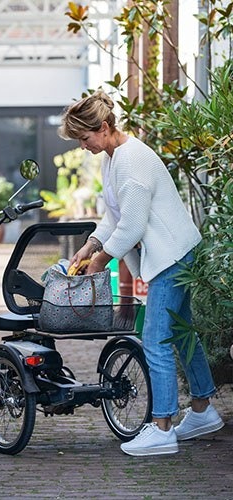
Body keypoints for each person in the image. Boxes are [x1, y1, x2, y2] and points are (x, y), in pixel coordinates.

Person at [58, 90, 224, 457]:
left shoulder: (132, 162)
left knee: (156, 339)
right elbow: (115, 216)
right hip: (175, 253)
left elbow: (132, 228)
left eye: (85, 138)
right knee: (181, 333)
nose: (83, 146)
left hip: (173, 257)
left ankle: (162, 427)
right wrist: (90, 245)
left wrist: (100, 262)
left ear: (103, 127)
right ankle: (203, 410)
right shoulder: (113, 156)